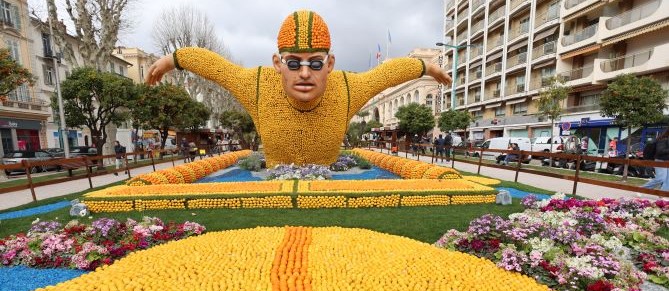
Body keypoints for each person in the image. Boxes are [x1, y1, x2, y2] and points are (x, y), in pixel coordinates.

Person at [145, 9, 451, 167]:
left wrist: (425, 67)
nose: (305, 73)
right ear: (278, 64)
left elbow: (386, 74)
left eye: (315, 64)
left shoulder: (345, 87)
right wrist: (175, 58)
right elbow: (217, 67)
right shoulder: (258, 84)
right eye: (294, 63)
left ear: (330, 64)